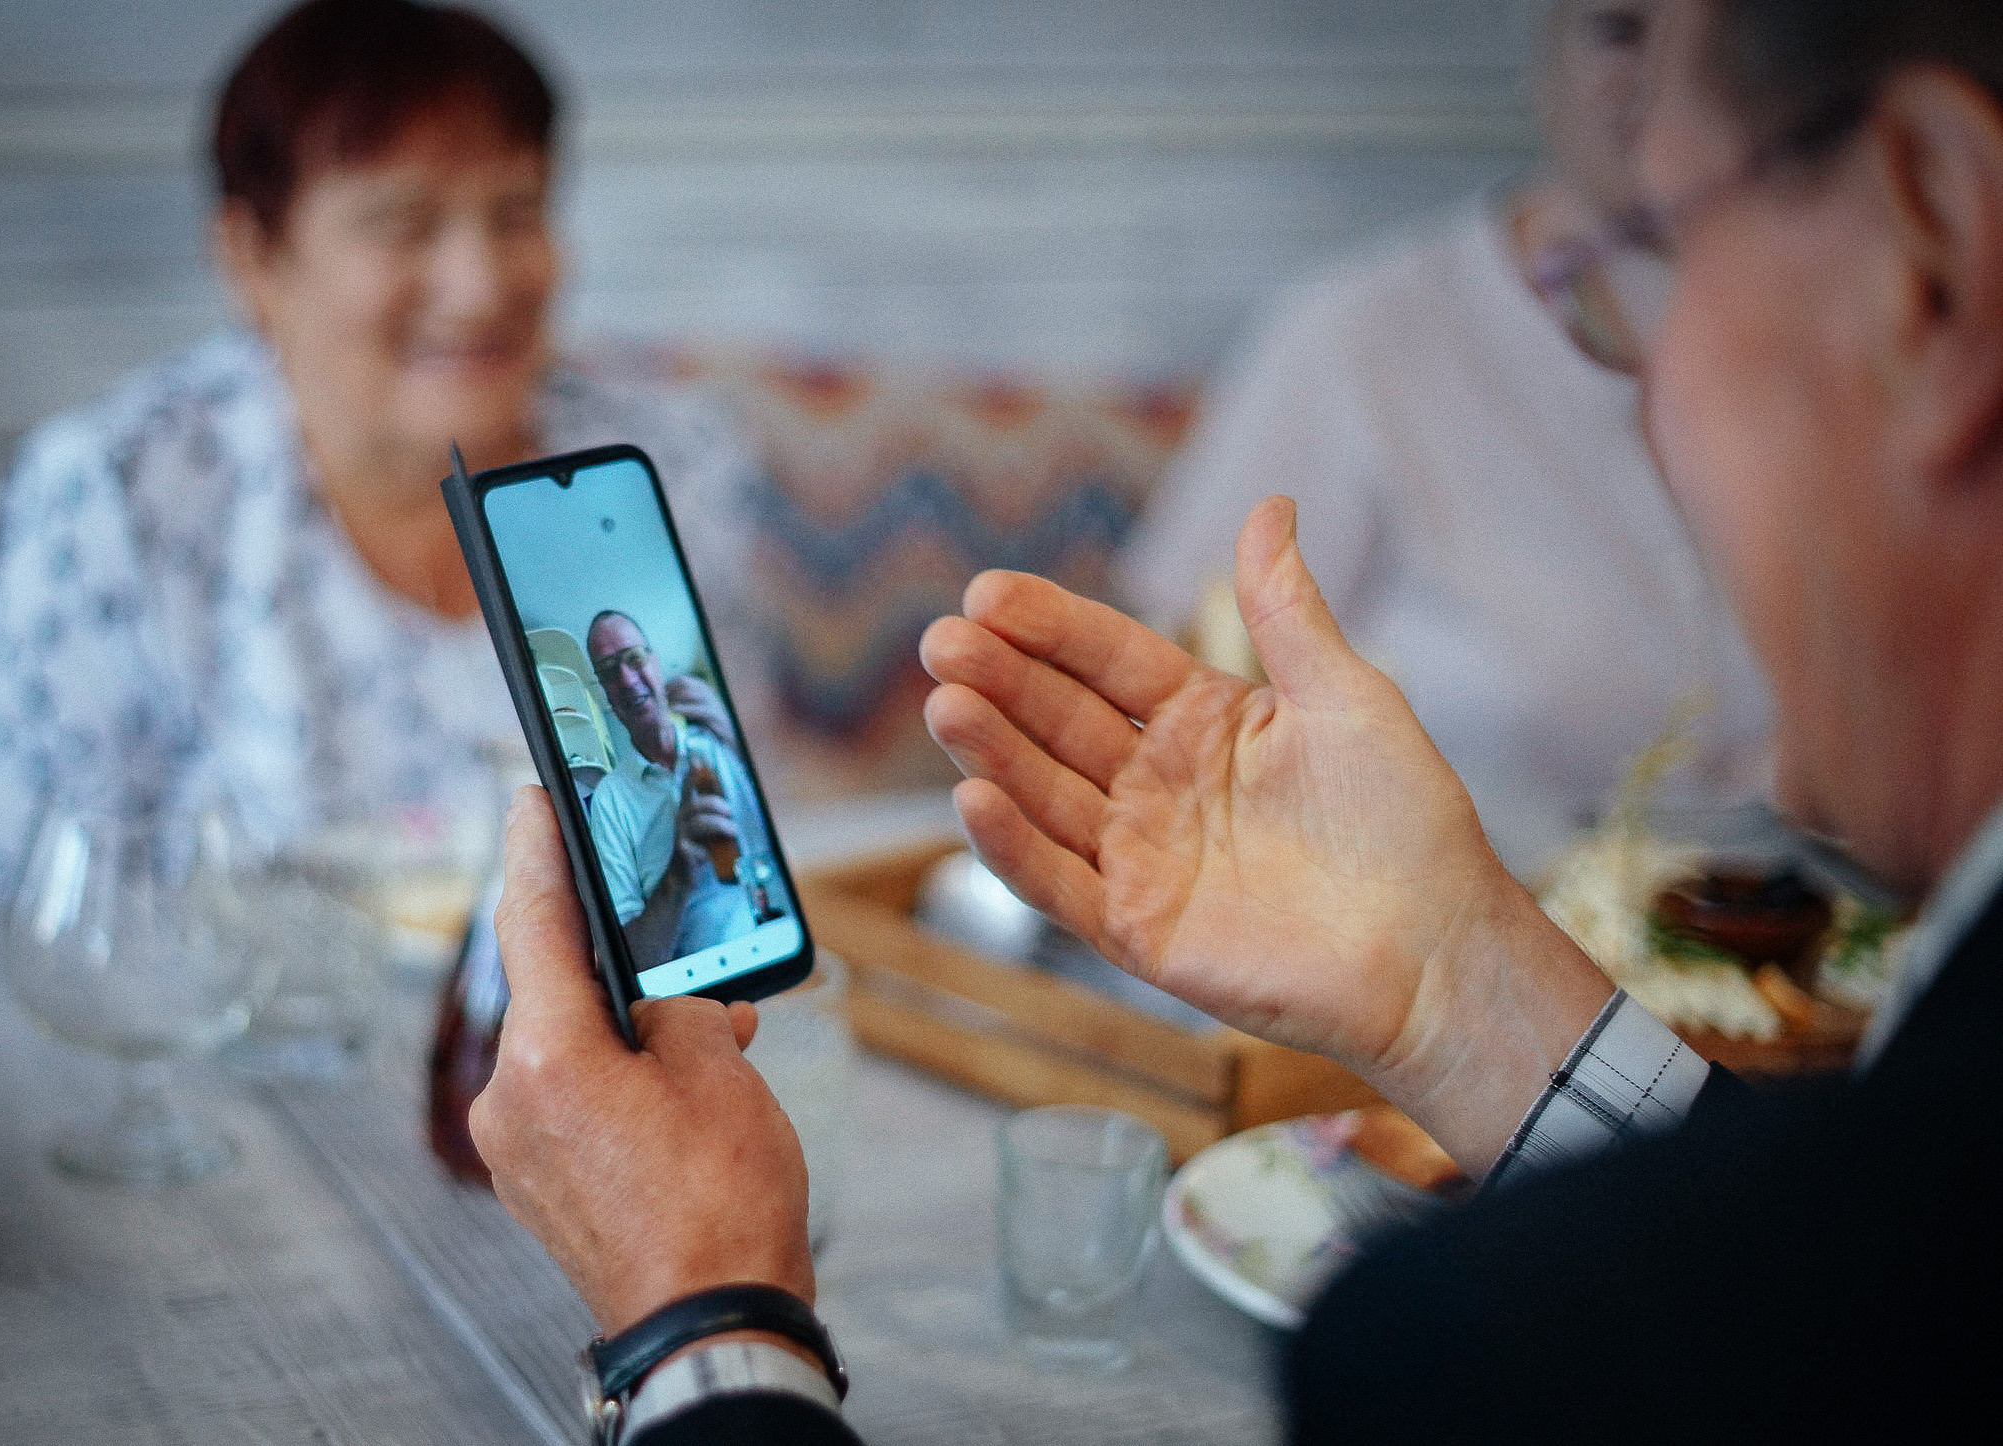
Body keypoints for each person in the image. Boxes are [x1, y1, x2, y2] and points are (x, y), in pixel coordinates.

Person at [469, 0, 2003, 1441]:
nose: (1638, 402)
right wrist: (1452, 986)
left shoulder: (1486, 1347)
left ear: (1931, 242)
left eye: (1670, 250)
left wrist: (702, 1318)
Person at [0, 0, 756, 896]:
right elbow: (11, 893)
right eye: (404, 223)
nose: (480, 287)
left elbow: (724, 827)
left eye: (516, 213)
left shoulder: (665, 456)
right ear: (252, 257)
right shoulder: (123, 497)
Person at [1118, 0, 1776, 879]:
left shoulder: (1856, 333)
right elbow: (1181, 683)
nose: (1668, 74)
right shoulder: (1363, 338)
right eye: (1621, 30)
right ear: (1544, 60)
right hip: (1465, 946)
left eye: (1715, 37)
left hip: (1815, 952)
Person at [584, 611, 771, 970]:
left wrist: (735, 738)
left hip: (769, 943)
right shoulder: (609, 799)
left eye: (634, 659)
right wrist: (678, 870)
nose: (625, 679)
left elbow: (778, 847)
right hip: (693, 984)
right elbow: (633, 961)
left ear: (656, 665)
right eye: (608, 671)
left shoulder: (716, 744)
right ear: (605, 691)